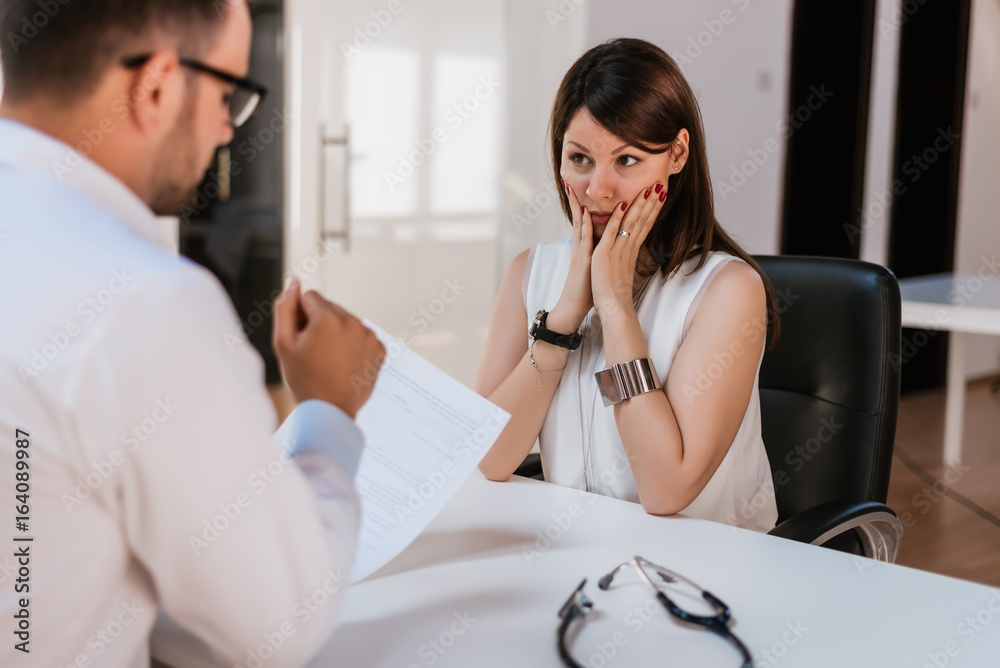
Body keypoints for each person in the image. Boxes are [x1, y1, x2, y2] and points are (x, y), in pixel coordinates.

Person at [0, 1, 385, 666]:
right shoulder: (142, 303)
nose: (226, 132)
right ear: (155, 85)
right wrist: (327, 410)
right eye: (228, 95)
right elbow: (279, 627)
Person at [476, 38, 779, 532]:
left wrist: (615, 307)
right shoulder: (529, 272)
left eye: (628, 161)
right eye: (579, 159)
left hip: (706, 574)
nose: (598, 190)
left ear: (677, 154)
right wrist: (563, 321)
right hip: (581, 562)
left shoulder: (729, 290)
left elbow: (666, 490)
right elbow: (490, 458)